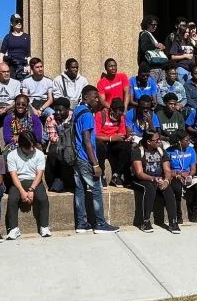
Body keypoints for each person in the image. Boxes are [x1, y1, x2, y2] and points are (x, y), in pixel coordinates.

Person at [72, 85, 120, 234]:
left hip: (76, 157)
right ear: (86, 97)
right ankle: (100, 223)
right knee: (97, 189)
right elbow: (87, 140)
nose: (97, 99)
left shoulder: (77, 111)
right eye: (94, 96)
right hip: (86, 158)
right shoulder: (87, 115)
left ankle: (81, 223)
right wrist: (95, 164)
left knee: (80, 190)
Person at [129, 130, 178, 233]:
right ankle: (145, 221)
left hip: (158, 178)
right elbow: (139, 173)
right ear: (148, 141)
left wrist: (166, 181)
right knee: (150, 188)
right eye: (156, 140)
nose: (159, 142)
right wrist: (153, 179)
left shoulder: (161, 151)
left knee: (168, 190)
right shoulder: (138, 151)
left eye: (159, 139)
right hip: (141, 179)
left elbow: (167, 170)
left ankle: (173, 222)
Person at [6, 130, 51, 239]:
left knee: (43, 199)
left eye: (33, 146)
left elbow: (39, 174)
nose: (32, 149)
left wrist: (31, 190)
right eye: (28, 147)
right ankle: (13, 228)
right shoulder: (12, 155)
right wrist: (22, 191)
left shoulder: (39, 154)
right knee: (12, 199)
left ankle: (44, 226)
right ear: (21, 145)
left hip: (34, 181)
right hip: (18, 182)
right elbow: (14, 176)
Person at [167, 131, 197, 223]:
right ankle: (178, 213)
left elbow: (193, 168)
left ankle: (193, 210)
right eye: (186, 140)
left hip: (188, 175)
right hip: (175, 176)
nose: (189, 142)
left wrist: (190, 176)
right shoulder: (169, 151)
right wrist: (178, 174)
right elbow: (167, 169)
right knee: (177, 189)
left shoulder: (191, 150)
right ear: (179, 141)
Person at [95, 97, 131, 186]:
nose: (118, 116)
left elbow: (121, 133)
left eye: (120, 114)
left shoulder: (121, 117)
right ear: (111, 110)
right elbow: (96, 136)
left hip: (113, 144)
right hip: (102, 142)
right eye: (117, 114)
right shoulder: (100, 115)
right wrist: (110, 138)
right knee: (100, 146)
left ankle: (117, 174)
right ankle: (101, 175)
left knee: (126, 146)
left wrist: (120, 138)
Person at [43, 97, 75, 192]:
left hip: (70, 142)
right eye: (56, 110)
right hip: (57, 143)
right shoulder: (51, 119)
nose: (57, 113)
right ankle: (56, 179)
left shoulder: (73, 116)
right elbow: (53, 138)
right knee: (54, 152)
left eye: (60, 110)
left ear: (67, 110)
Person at [0, 61, 23, 133]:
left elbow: (17, 100)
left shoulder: (16, 83)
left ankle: (16, 136)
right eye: (4, 72)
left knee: (14, 114)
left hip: (10, 107)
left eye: (8, 71)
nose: (7, 73)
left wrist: (6, 109)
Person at [137, 15, 167, 82]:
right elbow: (144, 47)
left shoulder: (151, 35)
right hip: (151, 68)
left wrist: (161, 47)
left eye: (156, 25)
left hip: (157, 67)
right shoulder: (144, 34)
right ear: (147, 25)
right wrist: (156, 46)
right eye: (153, 25)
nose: (155, 26)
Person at [2, 13, 31, 79]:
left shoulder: (26, 37)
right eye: (16, 21)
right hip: (11, 66)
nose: (19, 23)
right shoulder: (8, 37)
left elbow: (28, 54)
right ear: (12, 24)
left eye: (20, 21)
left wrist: (29, 66)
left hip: (23, 66)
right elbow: (2, 53)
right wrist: (1, 66)